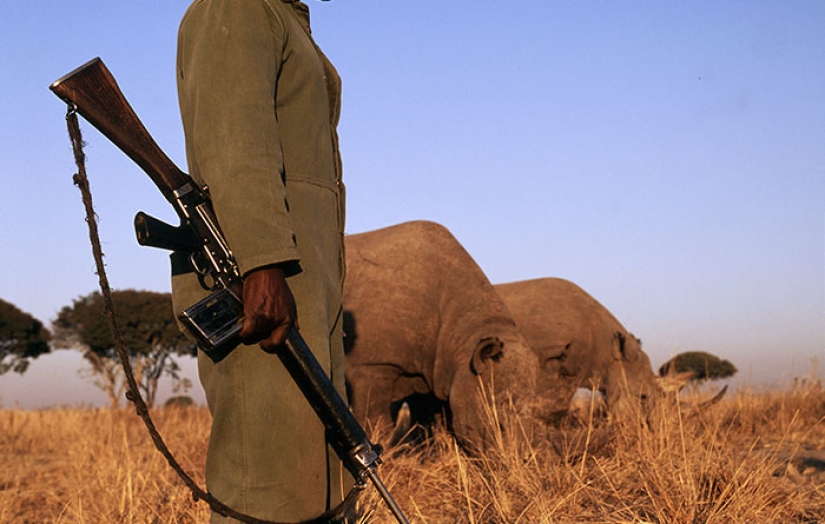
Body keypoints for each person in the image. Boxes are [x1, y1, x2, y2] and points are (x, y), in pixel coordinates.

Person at [171, 0, 352, 521]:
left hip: (302, 274)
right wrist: (261, 264)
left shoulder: (284, 15)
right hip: (261, 280)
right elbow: (236, 144)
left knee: (312, 476)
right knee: (268, 485)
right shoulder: (238, 6)